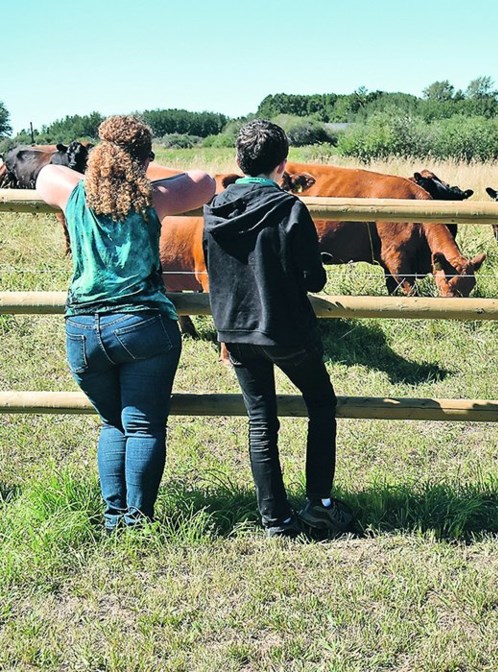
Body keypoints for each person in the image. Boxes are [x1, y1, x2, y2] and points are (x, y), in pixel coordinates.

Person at [36, 115, 215, 532]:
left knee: (112, 422)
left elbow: (47, 172)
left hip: (82, 330)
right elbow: (205, 180)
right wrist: (146, 174)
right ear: (143, 161)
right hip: (142, 324)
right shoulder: (153, 198)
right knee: (144, 425)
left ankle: (113, 516)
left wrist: (97, 167)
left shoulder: (73, 195)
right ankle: (138, 519)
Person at [202, 119, 353, 539]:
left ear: (237, 160)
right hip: (284, 330)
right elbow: (314, 278)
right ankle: (320, 503)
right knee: (321, 403)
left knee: (260, 421)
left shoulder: (214, 208)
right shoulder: (289, 208)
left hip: (235, 331)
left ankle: (275, 519)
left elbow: (212, 265)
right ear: (282, 164)